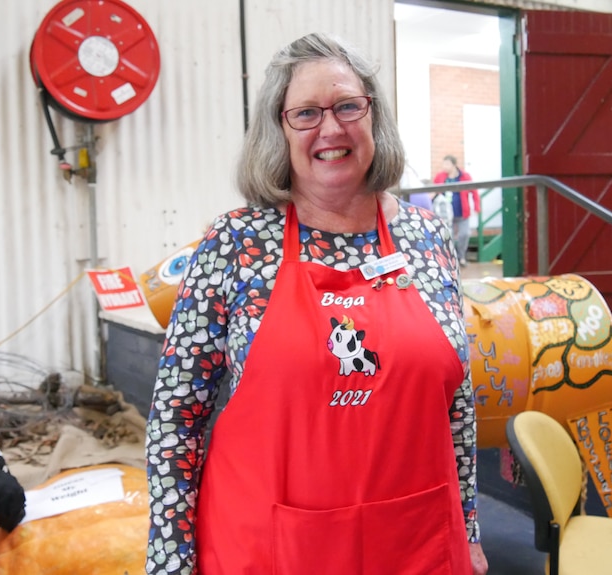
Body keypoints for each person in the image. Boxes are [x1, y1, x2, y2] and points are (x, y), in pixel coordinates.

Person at [145, 32, 488, 575]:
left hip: (417, 544)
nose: (331, 128)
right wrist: (170, 562)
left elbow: (457, 408)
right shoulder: (234, 244)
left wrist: (467, 528)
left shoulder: (428, 237)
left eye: (349, 106)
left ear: (374, 116)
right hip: (268, 549)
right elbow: (175, 421)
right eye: (305, 113)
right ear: (278, 130)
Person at [433, 155, 479, 267]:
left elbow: (474, 191)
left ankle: (461, 256)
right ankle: (451, 259)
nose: (444, 166)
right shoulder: (440, 177)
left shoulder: (465, 176)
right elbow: (433, 191)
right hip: (447, 214)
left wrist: (476, 207)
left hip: (462, 212)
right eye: (443, 164)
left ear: (453, 165)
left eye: (447, 164)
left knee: (464, 234)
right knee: (449, 237)